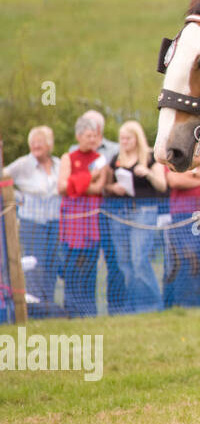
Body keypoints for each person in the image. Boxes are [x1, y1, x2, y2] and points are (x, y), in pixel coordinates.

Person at [104, 120, 167, 313]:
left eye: (128, 138)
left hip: (143, 211)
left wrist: (147, 173)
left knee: (139, 259)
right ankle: (134, 306)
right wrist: (113, 188)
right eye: (121, 138)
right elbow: (105, 185)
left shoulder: (149, 158)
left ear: (137, 138)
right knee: (124, 262)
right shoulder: (116, 159)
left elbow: (162, 185)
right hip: (120, 213)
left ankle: (152, 305)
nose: (124, 142)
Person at [2, 126, 61, 316]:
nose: (36, 145)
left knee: (52, 264)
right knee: (36, 265)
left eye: (40, 142)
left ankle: (49, 304)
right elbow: (3, 177)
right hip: (32, 222)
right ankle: (37, 308)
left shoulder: (58, 164)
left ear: (49, 144)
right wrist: (16, 196)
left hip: (55, 221)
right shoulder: (23, 164)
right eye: (33, 142)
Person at [58, 115, 110, 317]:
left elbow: (98, 187)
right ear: (79, 136)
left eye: (95, 136)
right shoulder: (67, 158)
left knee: (88, 267)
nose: (92, 140)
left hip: (91, 221)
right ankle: (70, 310)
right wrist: (88, 177)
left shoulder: (100, 159)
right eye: (88, 136)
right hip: (72, 220)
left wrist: (76, 184)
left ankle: (88, 311)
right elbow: (61, 187)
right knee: (71, 267)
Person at [163, 156, 200, 308]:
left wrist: (192, 173)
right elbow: (175, 181)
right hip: (183, 213)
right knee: (185, 257)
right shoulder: (175, 154)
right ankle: (181, 302)